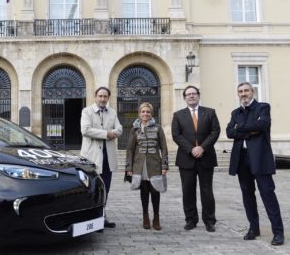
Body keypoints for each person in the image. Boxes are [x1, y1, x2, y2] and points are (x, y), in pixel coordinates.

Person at [226, 82, 284, 245]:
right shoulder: (235, 112)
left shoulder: (263, 107)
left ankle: (278, 232)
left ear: (252, 92)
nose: (243, 94)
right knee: (247, 195)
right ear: (238, 94)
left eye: (246, 90)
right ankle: (254, 228)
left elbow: (262, 124)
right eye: (240, 91)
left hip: (260, 158)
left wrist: (240, 128)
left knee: (268, 194)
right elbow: (229, 132)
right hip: (242, 158)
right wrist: (249, 130)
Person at [171, 85, 220, 232]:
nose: (191, 96)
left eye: (194, 93)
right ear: (185, 98)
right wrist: (191, 149)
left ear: (198, 96)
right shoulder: (178, 115)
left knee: (207, 191)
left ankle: (209, 220)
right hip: (186, 158)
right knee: (188, 191)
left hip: (206, 157)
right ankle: (191, 220)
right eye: (188, 94)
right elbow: (176, 135)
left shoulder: (210, 112)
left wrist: (202, 147)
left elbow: (215, 131)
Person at [80, 86, 123, 228]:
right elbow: (85, 130)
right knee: (91, 188)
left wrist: (113, 132)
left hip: (108, 158)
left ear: (108, 98)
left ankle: (102, 216)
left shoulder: (112, 112)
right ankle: (88, 217)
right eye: (100, 96)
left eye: (105, 97)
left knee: (105, 188)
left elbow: (120, 129)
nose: (103, 99)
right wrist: (106, 134)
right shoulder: (87, 111)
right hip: (91, 158)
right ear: (95, 96)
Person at [125, 102, 168, 230]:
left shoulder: (158, 128)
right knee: (144, 191)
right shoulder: (134, 129)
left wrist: (164, 165)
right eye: (143, 112)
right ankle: (145, 216)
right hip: (139, 164)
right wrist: (129, 168)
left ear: (151, 114)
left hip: (155, 164)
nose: (145, 114)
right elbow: (130, 149)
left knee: (155, 191)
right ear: (139, 113)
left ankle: (156, 217)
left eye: (148, 112)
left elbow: (164, 147)